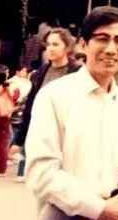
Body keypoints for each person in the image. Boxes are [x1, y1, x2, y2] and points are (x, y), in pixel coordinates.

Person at [25, 6, 118, 220]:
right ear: (83, 45)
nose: (111, 49)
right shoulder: (54, 96)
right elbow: (41, 172)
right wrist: (97, 210)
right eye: (102, 39)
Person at [10, 28, 80, 180]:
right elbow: (30, 107)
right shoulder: (40, 73)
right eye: (48, 45)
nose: (50, 49)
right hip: (43, 133)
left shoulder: (78, 73)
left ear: (67, 47)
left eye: (55, 44)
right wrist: (19, 141)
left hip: (69, 135)